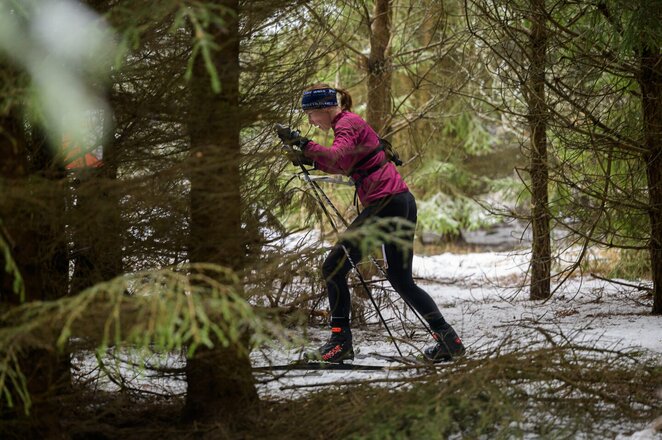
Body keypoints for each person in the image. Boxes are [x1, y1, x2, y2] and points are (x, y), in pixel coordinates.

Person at [278, 83, 466, 363]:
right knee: (401, 280)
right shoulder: (348, 124)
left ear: (324, 109)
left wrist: (305, 145)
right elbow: (342, 164)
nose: (310, 121)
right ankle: (449, 340)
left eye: (311, 114)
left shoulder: (347, 122)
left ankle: (340, 343)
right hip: (401, 203)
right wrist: (308, 159)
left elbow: (336, 157)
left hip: (386, 204)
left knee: (333, 268)